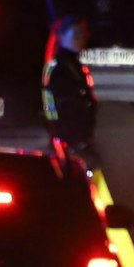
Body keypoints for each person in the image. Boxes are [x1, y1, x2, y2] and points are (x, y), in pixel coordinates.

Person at [42, 15, 99, 169]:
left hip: (80, 136)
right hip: (67, 137)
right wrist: (58, 132)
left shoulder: (76, 65)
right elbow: (50, 101)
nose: (80, 39)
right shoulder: (57, 67)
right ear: (61, 38)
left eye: (82, 34)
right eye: (75, 35)